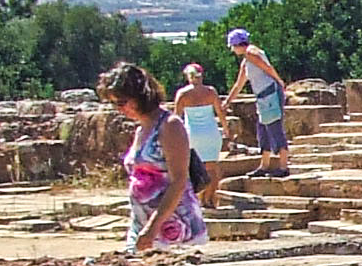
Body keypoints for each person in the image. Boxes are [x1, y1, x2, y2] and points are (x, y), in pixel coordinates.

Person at [102, 60, 206, 252]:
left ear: (138, 96)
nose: (119, 109)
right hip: (142, 224)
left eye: (122, 102)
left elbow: (179, 180)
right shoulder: (142, 128)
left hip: (173, 226)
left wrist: (153, 227)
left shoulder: (170, 126)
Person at [227, 27, 290, 177]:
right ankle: (264, 165)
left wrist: (280, 82)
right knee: (262, 131)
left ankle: (283, 167)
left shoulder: (251, 53)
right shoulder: (246, 61)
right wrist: (227, 101)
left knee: (274, 128)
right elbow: (239, 84)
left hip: (270, 94)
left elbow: (267, 68)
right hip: (262, 97)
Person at [171, 62, 228, 208]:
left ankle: (199, 200)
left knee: (197, 168)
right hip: (211, 133)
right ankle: (209, 199)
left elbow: (176, 117)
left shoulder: (183, 94)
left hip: (193, 135)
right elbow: (220, 112)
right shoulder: (210, 91)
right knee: (212, 168)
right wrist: (226, 128)